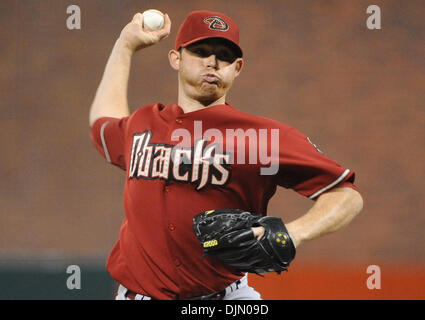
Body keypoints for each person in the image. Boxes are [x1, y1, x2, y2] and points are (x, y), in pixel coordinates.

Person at [89, 10, 363, 300]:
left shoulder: (261, 137)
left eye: (224, 55)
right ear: (176, 58)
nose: (212, 62)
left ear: (237, 68)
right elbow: (102, 124)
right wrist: (125, 45)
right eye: (200, 51)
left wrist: (294, 233)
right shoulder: (144, 124)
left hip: (228, 297)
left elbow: (346, 194)